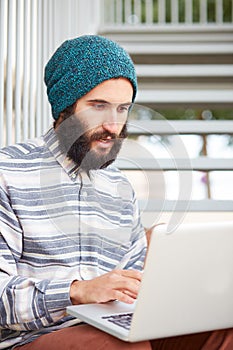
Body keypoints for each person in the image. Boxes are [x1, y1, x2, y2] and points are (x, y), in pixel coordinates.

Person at [0, 35, 232, 350]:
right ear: (65, 108)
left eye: (123, 108)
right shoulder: (8, 173)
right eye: (99, 106)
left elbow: (133, 281)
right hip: (33, 338)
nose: (113, 124)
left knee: (222, 328)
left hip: (114, 326)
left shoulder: (120, 189)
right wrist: (78, 291)